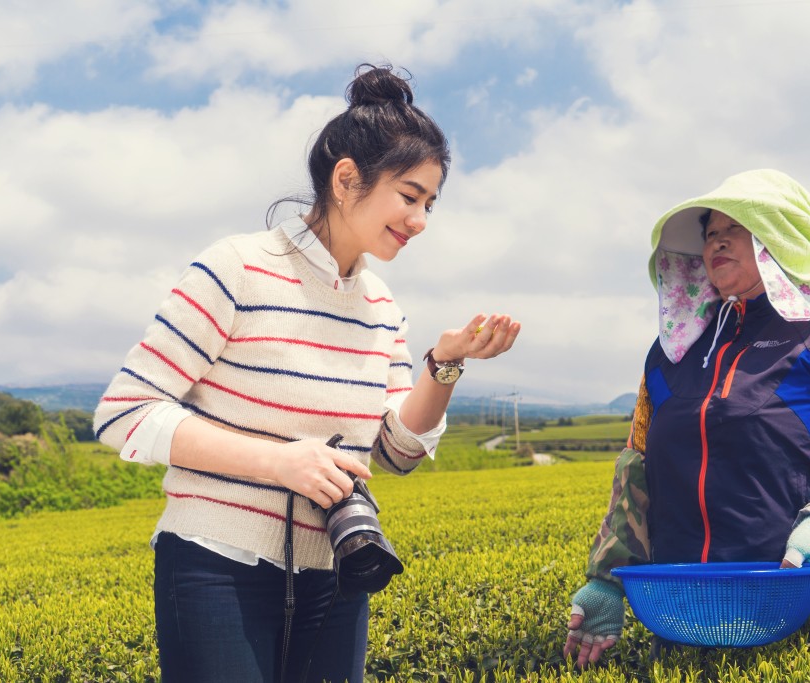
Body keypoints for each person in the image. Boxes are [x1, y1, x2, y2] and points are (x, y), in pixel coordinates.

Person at [93, 64, 521, 683]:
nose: (421, 220)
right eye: (408, 196)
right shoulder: (237, 268)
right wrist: (279, 461)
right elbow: (124, 413)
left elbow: (396, 454)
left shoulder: (381, 308)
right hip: (217, 566)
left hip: (338, 571)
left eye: (430, 202)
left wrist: (444, 365)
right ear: (347, 179)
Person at [563, 169, 810, 666]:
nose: (717, 242)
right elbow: (637, 470)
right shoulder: (671, 352)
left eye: (738, 229)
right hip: (685, 611)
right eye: (710, 232)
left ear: (781, 239)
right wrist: (606, 580)